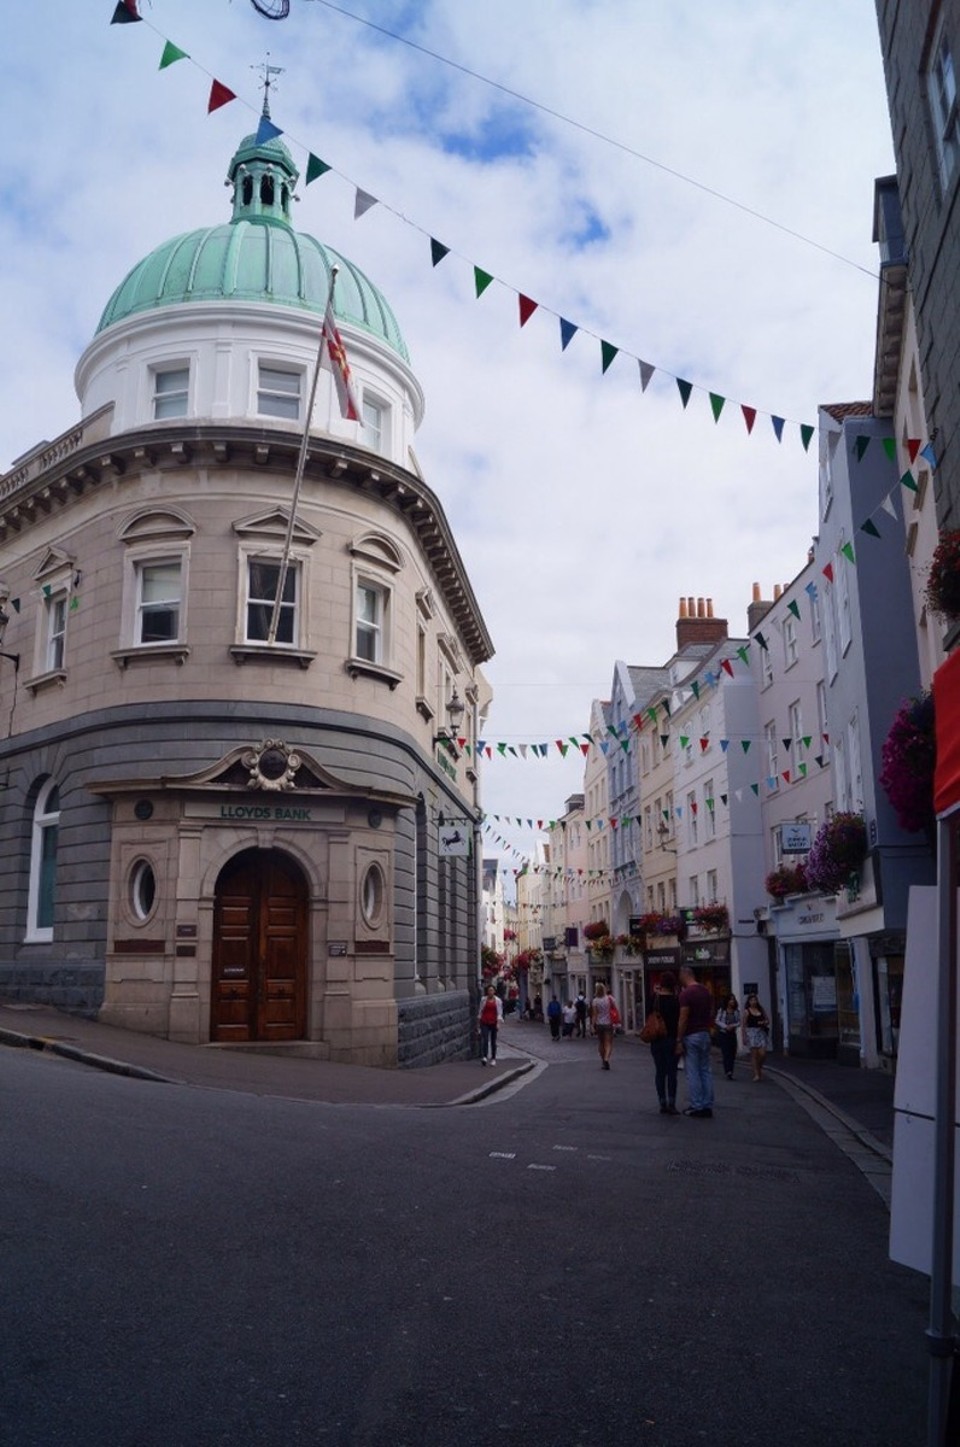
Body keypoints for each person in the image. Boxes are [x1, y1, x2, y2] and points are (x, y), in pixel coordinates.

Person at [676, 965, 715, 1117]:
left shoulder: (686, 994)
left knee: (692, 1072)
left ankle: (697, 1105)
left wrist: (679, 1039)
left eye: (680, 975)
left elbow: (683, 1017)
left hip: (691, 1034)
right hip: (705, 1033)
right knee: (705, 1070)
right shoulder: (705, 991)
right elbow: (711, 1011)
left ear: (685, 975)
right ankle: (707, 1104)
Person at [649, 971, 680, 1113]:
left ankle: (662, 1101)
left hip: (656, 1039)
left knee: (660, 1071)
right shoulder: (676, 1001)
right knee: (672, 1072)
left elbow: (649, 1017)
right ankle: (672, 1102)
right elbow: (679, 1022)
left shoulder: (655, 1000)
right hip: (671, 1039)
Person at [742, 992, 771, 1081]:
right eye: (752, 1000)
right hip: (752, 1032)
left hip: (761, 1032)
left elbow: (767, 1020)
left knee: (763, 1053)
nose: (754, 1002)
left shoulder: (761, 1010)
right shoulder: (747, 1011)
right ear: (749, 1002)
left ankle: (759, 1067)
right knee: (754, 1054)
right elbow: (744, 1024)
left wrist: (764, 1022)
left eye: (755, 1000)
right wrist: (744, 1036)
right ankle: (756, 1074)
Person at [715, 993, 741, 1080]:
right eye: (730, 999)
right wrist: (725, 1026)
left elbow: (739, 1022)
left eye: (733, 999)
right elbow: (717, 1020)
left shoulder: (736, 1012)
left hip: (732, 1034)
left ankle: (731, 1069)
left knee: (732, 1053)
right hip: (724, 1034)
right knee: (726, 1053)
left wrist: (733, 1026)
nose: (732, 1001)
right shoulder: (722, 1011)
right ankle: (728, 1071)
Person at [591, 982, 616, 1069]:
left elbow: (594, 1014)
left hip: (599, 1024)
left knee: (601, 1043)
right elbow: (615, 1008)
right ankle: (606, 1059)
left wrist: (592, 1025)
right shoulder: (609, 998)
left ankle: (603, 1060)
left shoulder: (595, 1001)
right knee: (608, 1043)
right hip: (608, 1023)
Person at [477, 984, 503, 1066]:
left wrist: (498, 1023)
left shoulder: (498, 1001)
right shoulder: (483, 1000)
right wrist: (478, 1023)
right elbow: (480, 1010)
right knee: (485, 1039)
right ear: (487, 992)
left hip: (493, 1022)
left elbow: (499, 1013)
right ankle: (484, 1056)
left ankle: (493, 1058)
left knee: (493, 1041)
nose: (490, 992)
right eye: (489, 990)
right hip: (485, 1021)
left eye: (492, 990)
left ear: (494, 991)